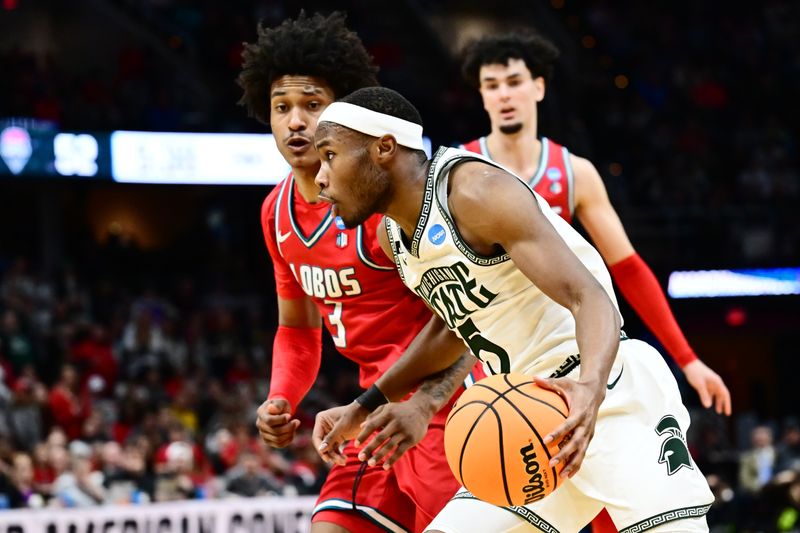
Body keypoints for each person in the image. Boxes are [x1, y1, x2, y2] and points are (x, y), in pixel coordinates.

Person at [311, 86, 714, 532]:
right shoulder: (395, 237)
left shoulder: (476, 192)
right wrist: (367, 403)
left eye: (330, 155)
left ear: (384, 148)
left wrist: (589, 390)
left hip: (607, 392)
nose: (320, 177)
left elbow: (591, 298)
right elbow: (455, 326)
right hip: (527, 415)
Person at [238, 12, 480, 533]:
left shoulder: (378, 206)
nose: (296, 121)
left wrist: (421, 403)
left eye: (312, 105)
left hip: (449, 408)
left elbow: (470, 322)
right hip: (373, 411)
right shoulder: (274, 213)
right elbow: (299, 329)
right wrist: (281, 395)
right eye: (282, 107)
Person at [458, 31, 731, 420]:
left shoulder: (574, 174)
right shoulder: (461, 172)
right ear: (482, 96)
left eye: (514, 82)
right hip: (492, 352)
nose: (504, 95)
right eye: (492, 86)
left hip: (562, 344)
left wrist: (688, 360)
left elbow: (629, 269)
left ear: (538, 87)